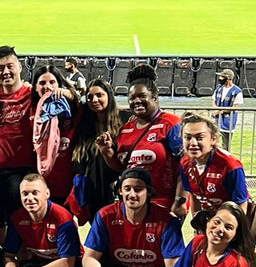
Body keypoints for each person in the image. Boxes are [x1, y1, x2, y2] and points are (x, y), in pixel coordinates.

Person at [97, 64, 183, 213]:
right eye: (132, 98)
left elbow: (186, 165)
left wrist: (180, 201)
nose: (136, 101)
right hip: (132, 204)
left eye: (142, 96)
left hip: (163, 203)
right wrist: (106, 151)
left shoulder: (170, 124)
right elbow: (120, 166)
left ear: (155, 98)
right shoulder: (126, 129)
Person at [0, 45, 34, 218]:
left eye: (10, 66)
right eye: (0, 68)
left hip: (18, 172)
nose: (6, 72)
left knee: (14, 221)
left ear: (20, 67)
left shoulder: (32, 94)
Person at [179, 111, 249, 229]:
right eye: (187, 137)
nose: (193, 143)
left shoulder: (230, 165)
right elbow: (194, 196)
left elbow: (241, 203)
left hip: (232, 222)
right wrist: (199, 226)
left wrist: (234, 231)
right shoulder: (185, 162)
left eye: (199, 137)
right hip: (210, 221)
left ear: (213, 139)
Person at [67, 79, 124, 224]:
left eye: (99, 95)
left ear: (109, 96)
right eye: (90, 97)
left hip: (116, 192)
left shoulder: (124, 121)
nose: (94, 100)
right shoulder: (85, 124)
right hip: (93, 195)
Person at [29, 65, 80, 204]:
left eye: (52, 82)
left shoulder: (71, 109)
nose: (47, 86)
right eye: (42, 83)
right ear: (35, 87)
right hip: (38, 187)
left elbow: (86, 102)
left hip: (65, 185)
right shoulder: (31, 111)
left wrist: (70, 94)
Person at [212, 68, 243, 151]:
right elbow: (214, 101)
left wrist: (220, 111)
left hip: (228, 121)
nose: (220, 79)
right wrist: (215, 109)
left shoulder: (237, 91)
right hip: (216, 120)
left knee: (226, 145)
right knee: (213, 142)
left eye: (222, 77)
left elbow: (234, 107)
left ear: (228, 78)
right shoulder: (219, 88)